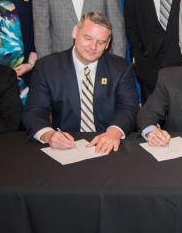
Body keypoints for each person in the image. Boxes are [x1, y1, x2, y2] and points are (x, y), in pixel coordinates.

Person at [23, 13, 138, 154]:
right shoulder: (47, 67)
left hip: (109, 143)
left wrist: (114, 132)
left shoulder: (121, 68)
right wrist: (49, 135)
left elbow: (128, 108)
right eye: (88, 38)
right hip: (66, 146)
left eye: (101, 42)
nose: (93, 46)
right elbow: (34, 111)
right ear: (75, 32)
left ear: (108, 44)